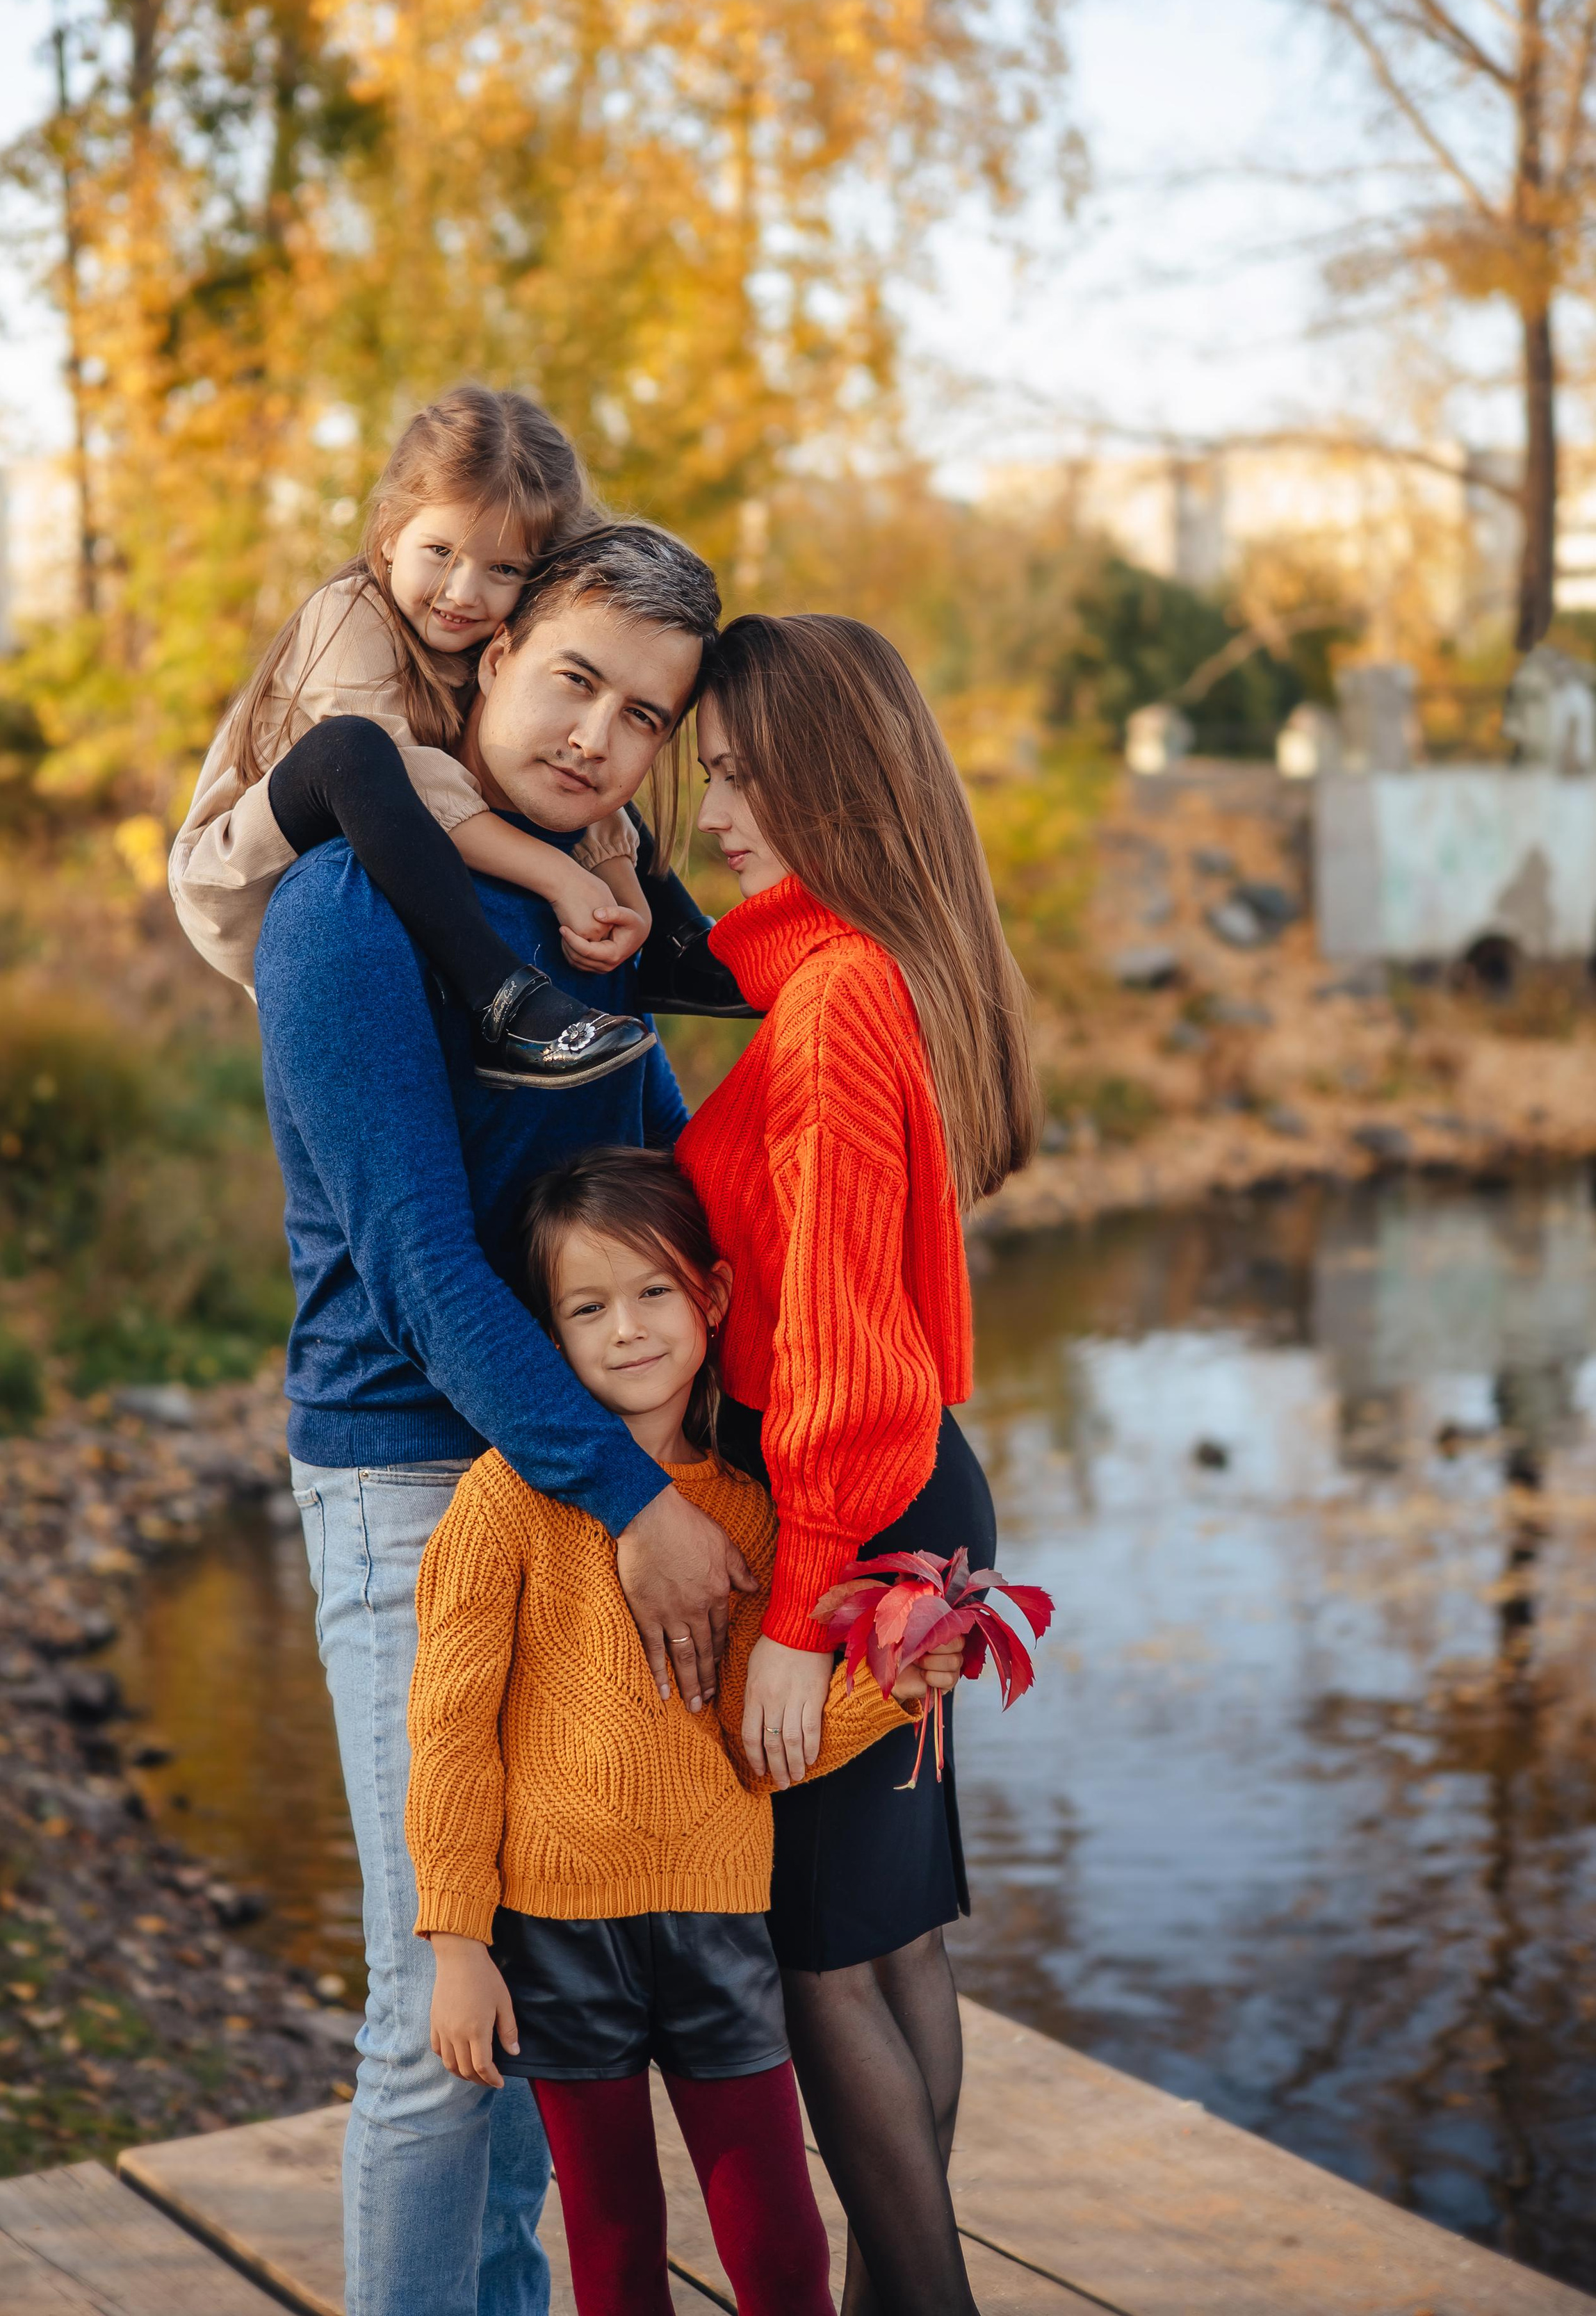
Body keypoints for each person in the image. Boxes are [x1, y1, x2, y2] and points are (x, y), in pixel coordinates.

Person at [251, 525, 758, 2316]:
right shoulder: (342, 912)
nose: (599, 738)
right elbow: (412, 1272)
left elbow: (659, 1182)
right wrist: (631, 1494)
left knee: (544, 1969)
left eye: (646, 716)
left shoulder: (584, 913)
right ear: (488, 652)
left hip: (569, 1475)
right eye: (573, 679)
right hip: (410, 1474)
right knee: (433, 1987)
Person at [408, 1147, 965, 2316]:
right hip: (560, 1933)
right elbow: (450, 1729)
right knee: (615, 2252)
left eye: (653, 1291)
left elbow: (768, 1740)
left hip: (719, 1919)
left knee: (777, 2241)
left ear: (712, 1294)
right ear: (546, 1332)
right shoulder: (504, 1502)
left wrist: (892, 1687)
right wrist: (457, 1938)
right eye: (588, 1306)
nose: (627, 1330)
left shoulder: (752, 1513)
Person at [674, 612, 1039, 2316]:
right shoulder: (882, 965)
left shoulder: (831, 1010)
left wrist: (797, 1617)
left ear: (831, 779)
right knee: (895, 1933)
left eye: (743, 779)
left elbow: (831, 1346)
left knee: (817, 1950)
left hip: (852, 1507)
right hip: (918, 1498)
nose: (713, 814)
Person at [172, 384, 743, 1089]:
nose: (464, 592)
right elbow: (406, 779)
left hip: (385, 829)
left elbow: (586, 802)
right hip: (242, 868)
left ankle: (676, 948)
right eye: (441, 550)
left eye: (503, 569)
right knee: (354, 750)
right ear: (388, 531)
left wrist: (621, 900)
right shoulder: (351, 612)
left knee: (592, 744)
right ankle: (500, 1002)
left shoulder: (483, 636)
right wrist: (559, 874)